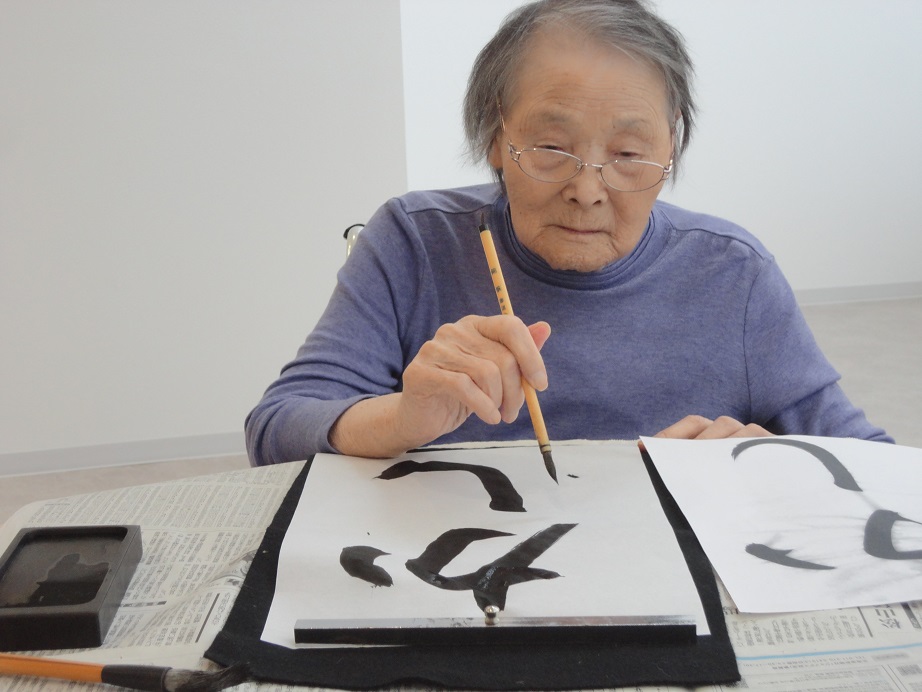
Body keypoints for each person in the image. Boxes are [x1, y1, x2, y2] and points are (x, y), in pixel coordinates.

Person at [246, 0, 891, 467]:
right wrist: (404, 417)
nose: (588, 188)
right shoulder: (414, 241)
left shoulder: (734, 274)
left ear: (673, 152)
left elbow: (873, 465)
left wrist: (773, 463)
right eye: (552, 145)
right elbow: (274, 430)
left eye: (630, 154)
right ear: (496, 139)